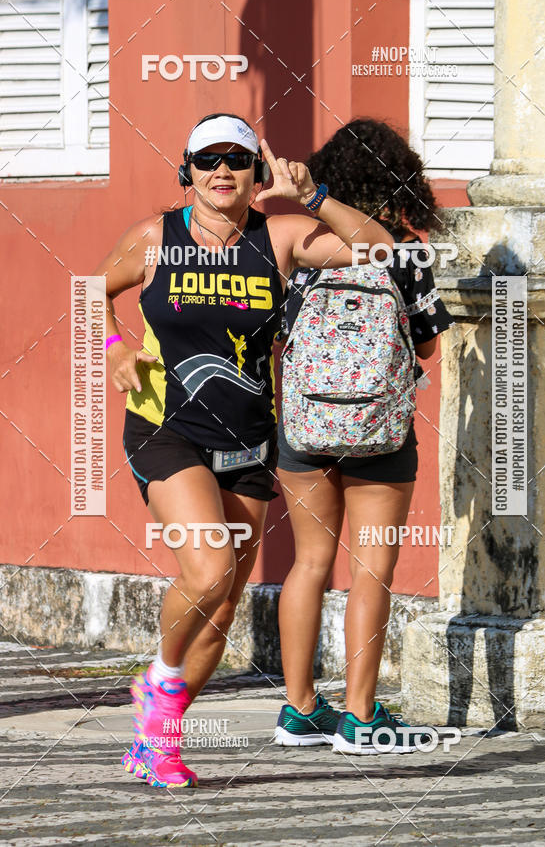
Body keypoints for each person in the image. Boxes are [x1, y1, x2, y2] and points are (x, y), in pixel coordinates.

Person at [92, 112, 396, 787]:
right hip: (166, 427)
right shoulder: (155, 237)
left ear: (255, 171)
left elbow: (381, 251)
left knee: (224, 605)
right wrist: (116, 349)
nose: (221, 170)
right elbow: (93, 290)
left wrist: (313, 197)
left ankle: (158, 742)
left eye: (236, 158)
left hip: (251, 439)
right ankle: (159, 690)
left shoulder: (280, 236)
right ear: (187, 170)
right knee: (207, 571)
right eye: (207, 160)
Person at [274, 118, 454, 755]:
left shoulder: (302, 244)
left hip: (304, 426)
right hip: (381, 430)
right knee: (370, 569)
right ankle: (359, 715)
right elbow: (429, 346)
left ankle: (298, 711)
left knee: (309, 564)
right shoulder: (402, 249)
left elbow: (277, 335)